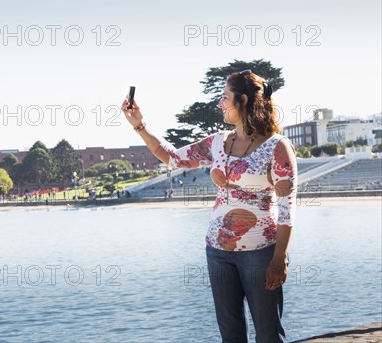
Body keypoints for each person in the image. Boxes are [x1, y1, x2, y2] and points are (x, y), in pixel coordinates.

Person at [121, 70, 297, 343]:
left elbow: (287, 209)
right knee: (230, 334)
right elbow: (171, 158)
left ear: (244, 100)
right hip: (217, 250)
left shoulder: (277, 147)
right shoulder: (217, 142)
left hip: (260, 254)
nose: (219, 104)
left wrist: (278, 260)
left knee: (268, 334)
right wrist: (139, 125)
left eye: (224, 98)